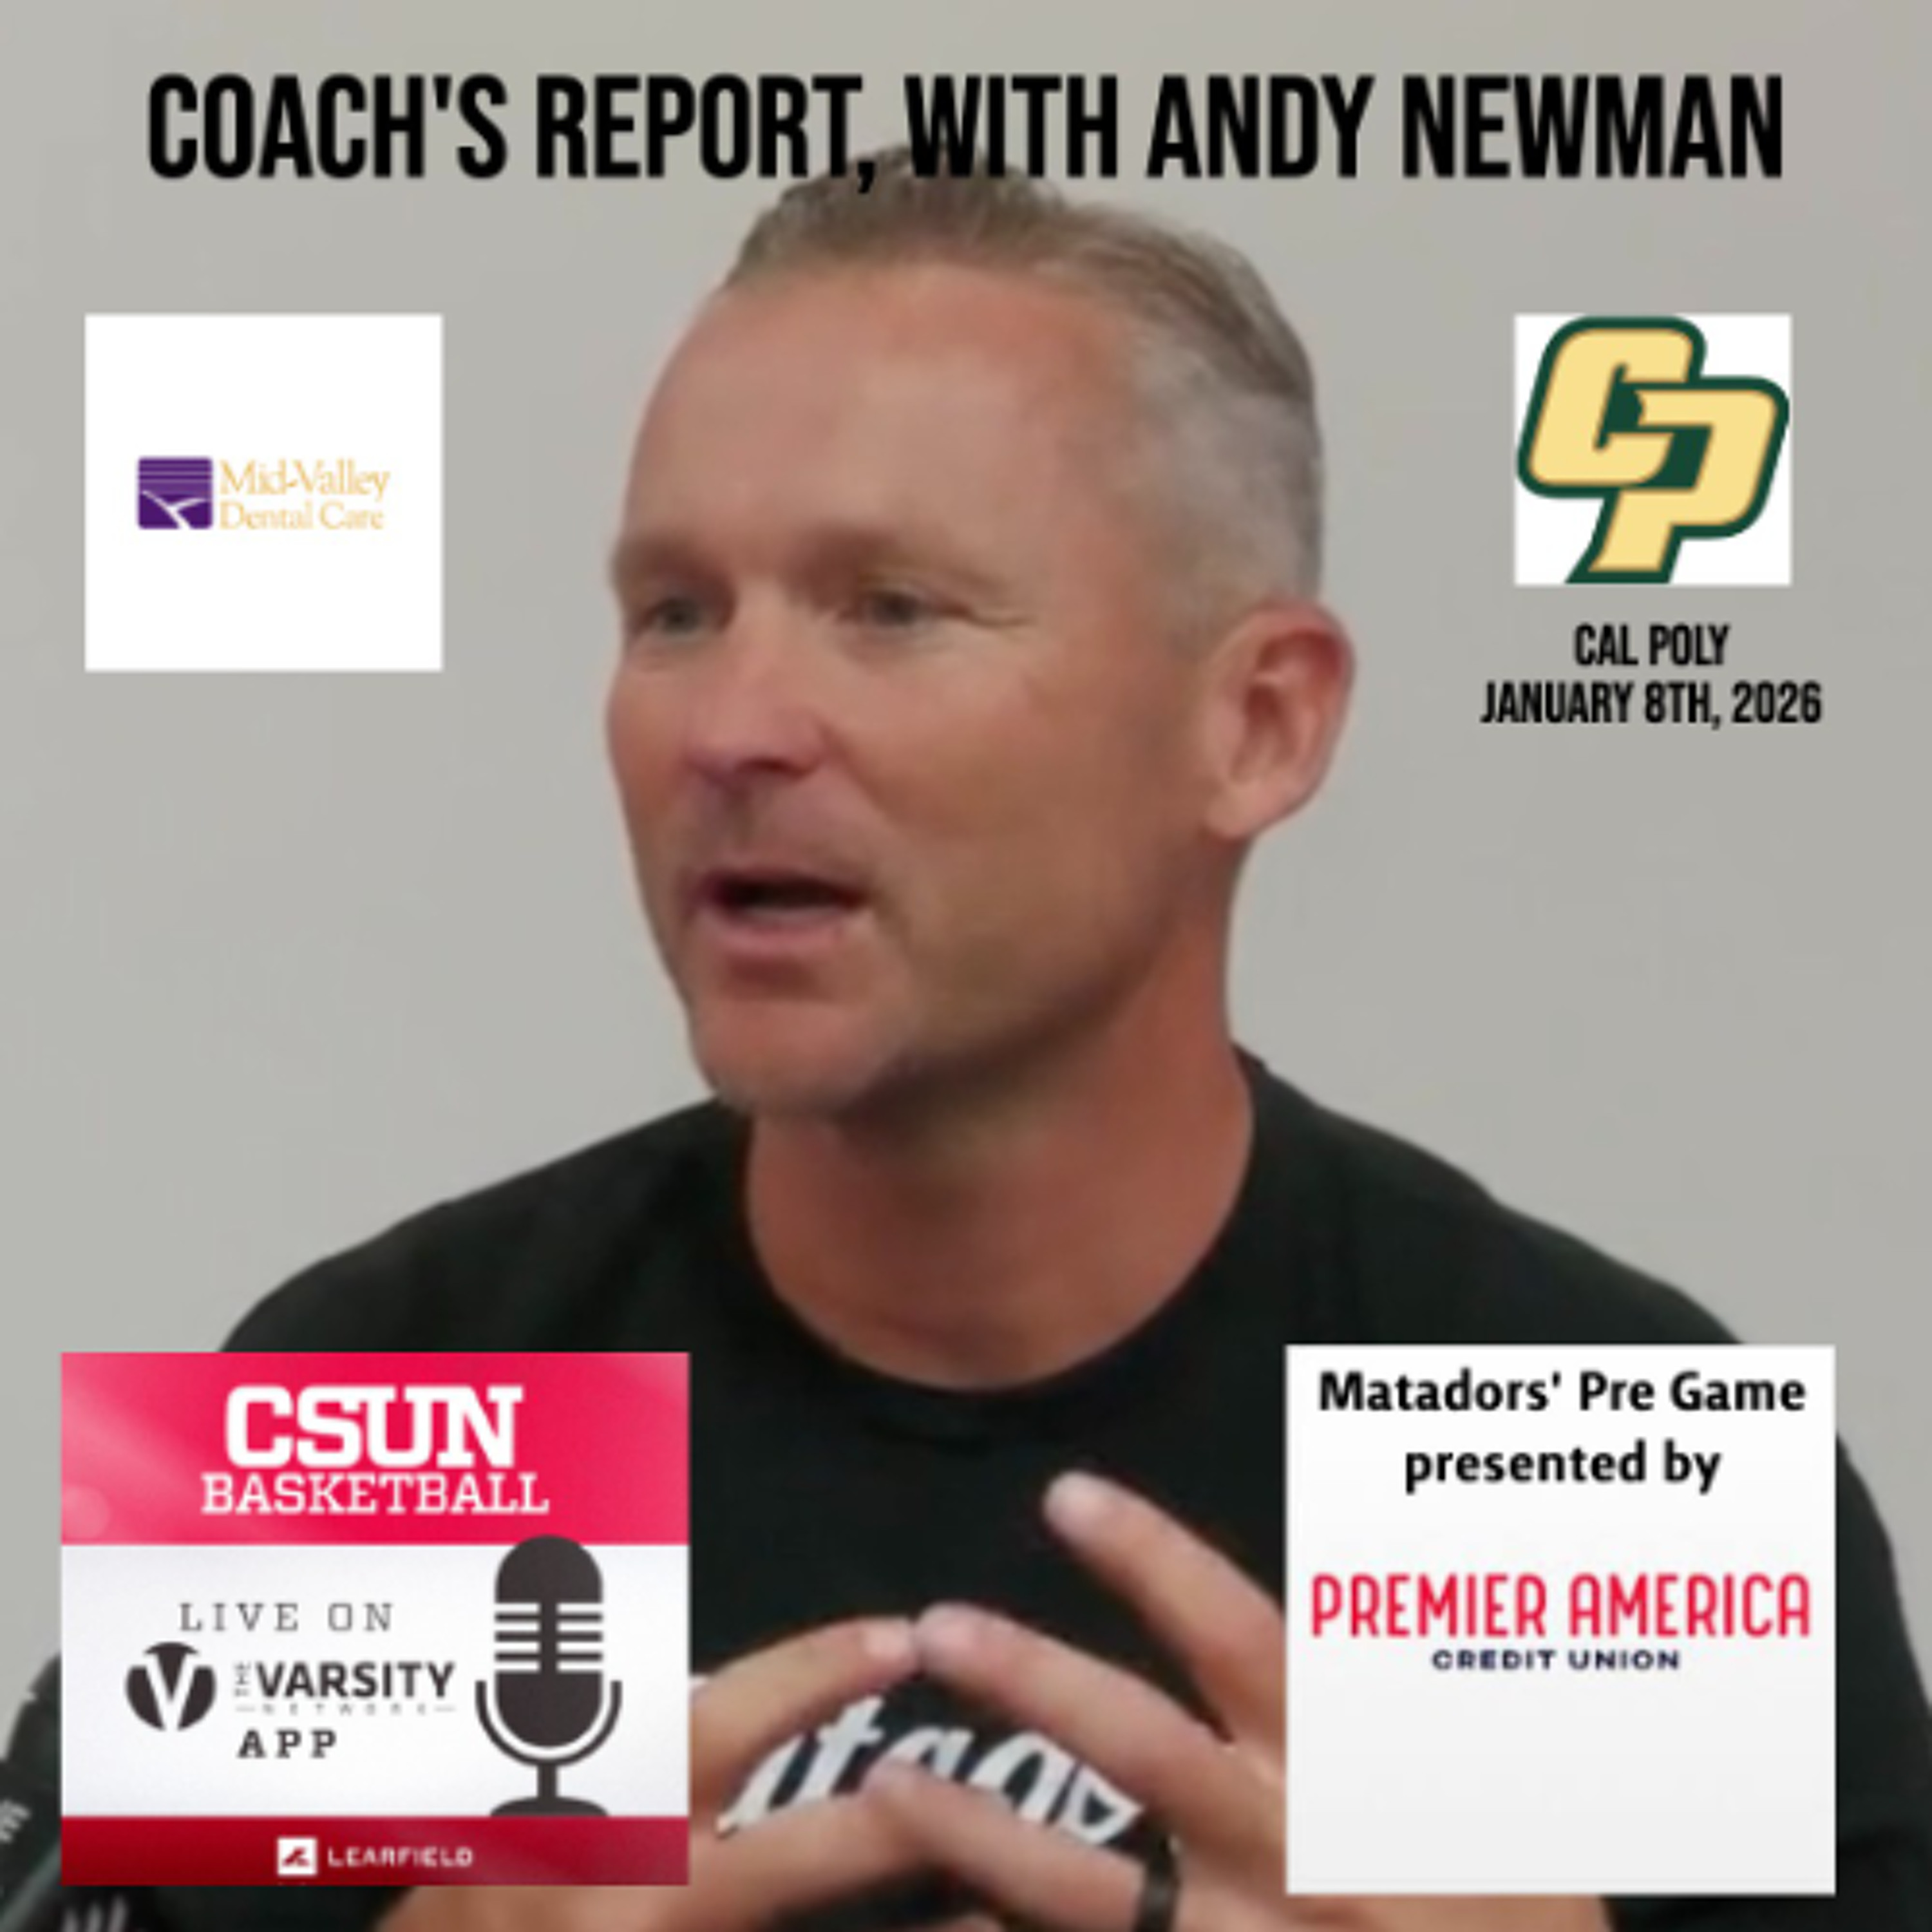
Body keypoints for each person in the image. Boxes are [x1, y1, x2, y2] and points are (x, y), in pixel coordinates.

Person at [159, 153, 1932, 1932]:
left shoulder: (1586, 1455)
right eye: (676, 613)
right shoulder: (394, 1401)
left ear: (1256, 725)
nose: (732, 726)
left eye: (892, 607)